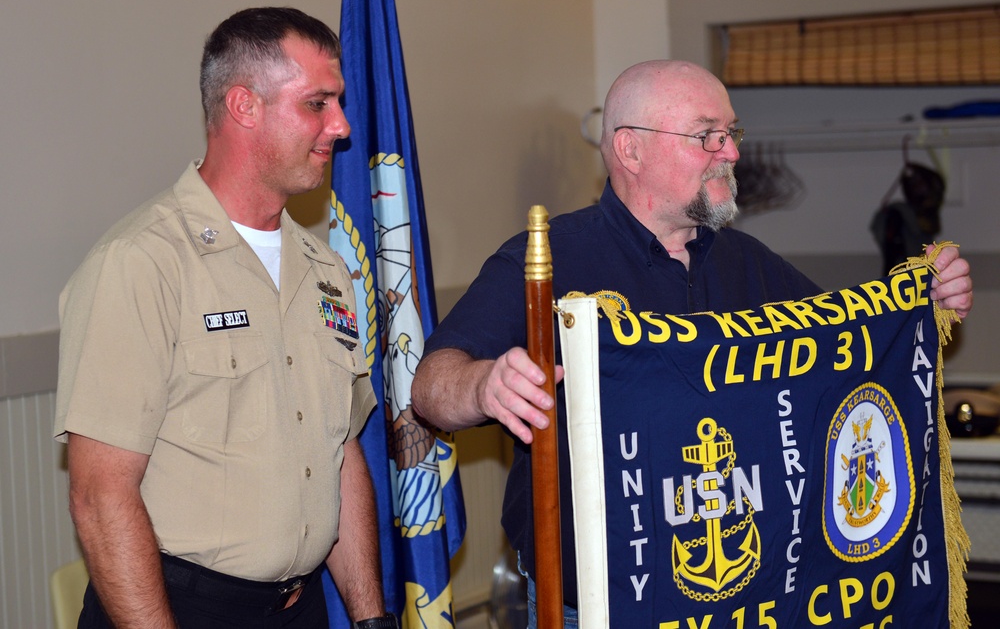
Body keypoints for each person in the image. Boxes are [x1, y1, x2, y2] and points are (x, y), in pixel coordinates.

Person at [410, 60, 974, 626]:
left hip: (754, 603)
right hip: (594, 609)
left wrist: (925, 305)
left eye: (732, 134)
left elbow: (847, 356)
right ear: (631, 150)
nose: (730, 152)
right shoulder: (547, 260)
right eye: (708, 135)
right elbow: (431, 386)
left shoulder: (751, 264)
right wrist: (486, 386)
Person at [55, 7, 398, 629]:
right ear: (244, 106)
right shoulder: (142, 262)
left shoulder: (325, 270)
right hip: (175, 608)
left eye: (337, 103)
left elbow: (339, 455)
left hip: (301, 607)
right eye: (318, 103)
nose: (341, 127)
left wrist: (372, 619)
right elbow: (100, 496)